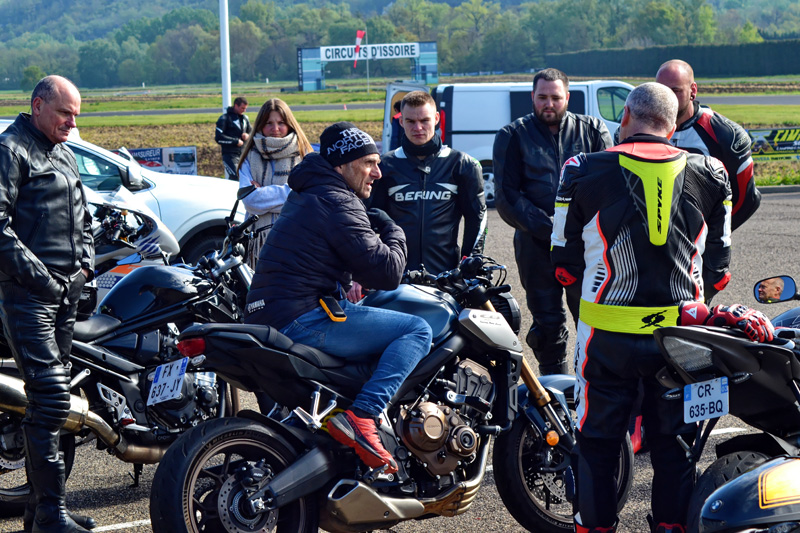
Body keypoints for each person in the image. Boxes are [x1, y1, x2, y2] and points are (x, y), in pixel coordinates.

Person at [549, 82, 773, 533]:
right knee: (675, 448)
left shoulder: (580, 168)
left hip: (605, 340)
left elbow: (563, 264)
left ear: (626, 116)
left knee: (596, 444)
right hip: (682, 342)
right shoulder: (712, 172)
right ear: (673, 124)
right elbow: (720, 269)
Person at [245, 122, 433, 473]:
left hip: (269, 313)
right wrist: (394, 229)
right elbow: (386, 272)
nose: (377, 172)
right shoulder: (337, 201)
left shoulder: (310, 192)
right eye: (368, 163)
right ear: (341, 166)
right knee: (417, 330)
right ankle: (363, 416)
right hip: (301, 317)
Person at [0, 75, 96, 532]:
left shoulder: (62, 151)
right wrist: (47, 282)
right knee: (53, 399)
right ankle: (49, 514)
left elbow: (83, 214)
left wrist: (87, 268)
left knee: (51, 405)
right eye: (65, 113)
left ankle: (41, 512)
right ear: (38, 105)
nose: (72, 122)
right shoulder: (10, 150)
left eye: (76, 114)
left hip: (64, 296)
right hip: (27, 297)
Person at [493, 68, 612, 376]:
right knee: (547, 326)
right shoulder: (512, 135)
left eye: (555, 98)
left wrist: (575, 233)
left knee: (593, 321)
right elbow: (507, 198)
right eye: (542, 97)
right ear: (532, 97)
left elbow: (611, 191)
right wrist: (552, 230)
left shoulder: (593, 130)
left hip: (586, 248)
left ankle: (595, 391)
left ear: (567, 98)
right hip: (535, 246)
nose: (549, 104)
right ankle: (554, 395)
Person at [371, 90, 487, 275]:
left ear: (436, 118)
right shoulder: (384, 166)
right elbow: (365, 220)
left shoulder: (461, 164)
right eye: (410, 121)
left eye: (424, 120)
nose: (418, 128)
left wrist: (470, 262)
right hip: (395, 277)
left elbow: (477, 218)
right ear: (401, 121)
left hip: (445, 277)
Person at [656, 59, 760, 231]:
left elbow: (747, 200)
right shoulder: (639, 127)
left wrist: (711, 236)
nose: (668, 98)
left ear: (693, 91)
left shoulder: (726, 134)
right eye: (662, 91)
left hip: (704, 248)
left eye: (675, 90)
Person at [237, 98, 312, 269]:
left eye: (281, 123)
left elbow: (304, 197)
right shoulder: (249, 157)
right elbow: (250, 201)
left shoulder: (304, 155)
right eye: (269, 123)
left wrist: (262, 192)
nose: (275, 129)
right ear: (260, 125)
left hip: (297, 243)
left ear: (290, 124)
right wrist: (289, 193)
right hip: (258, 246)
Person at [215, 96, 252, 180]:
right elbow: (218, 138)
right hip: (230, 155)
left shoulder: (245, 118)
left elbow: (252, 131)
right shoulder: (224, 118)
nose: (244, 110)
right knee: (236, 177)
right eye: (242, 108)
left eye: (245, 108)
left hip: (244, 154)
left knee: (247, 178)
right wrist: (235, 141)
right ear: (236, 106)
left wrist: (247, 135)